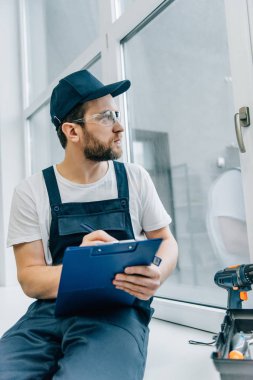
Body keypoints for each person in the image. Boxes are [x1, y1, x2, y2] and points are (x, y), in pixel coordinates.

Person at [0, 69, 178, 380]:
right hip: (46, 316)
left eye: (116, 115)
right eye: (107, 117)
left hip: (115, 316)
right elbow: (29, 278)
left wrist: (158, 272)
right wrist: (84, 265)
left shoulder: (135, 179)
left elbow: (166, 240)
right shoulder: (31, 191)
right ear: (72, 131)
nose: (119, 127)